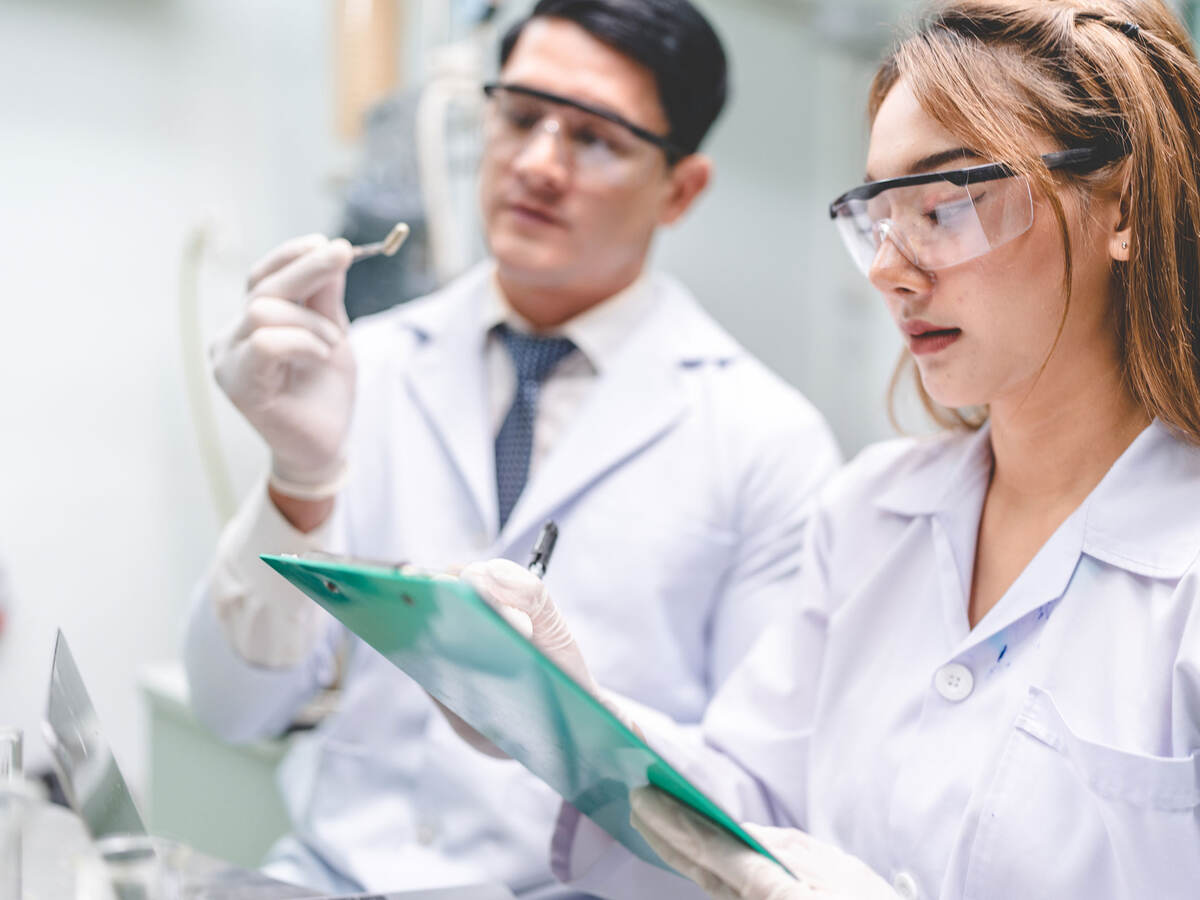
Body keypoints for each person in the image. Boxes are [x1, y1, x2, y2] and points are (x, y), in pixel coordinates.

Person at [459, 1, 1200, 897]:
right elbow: (751, 803)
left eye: (948, 202)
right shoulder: (869, 514)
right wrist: (556, 710)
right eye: (879, 214)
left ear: (1121, 205)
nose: (892, 266)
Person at [183, 0, 841, 894]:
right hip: (330, 878)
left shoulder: (766, 442)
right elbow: (231, 709)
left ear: (681, 189)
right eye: (521, 116)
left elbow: (762, 807)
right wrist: (297, 481)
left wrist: (565, 724)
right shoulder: (369, 366)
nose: (537, 164)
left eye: (595, 139)